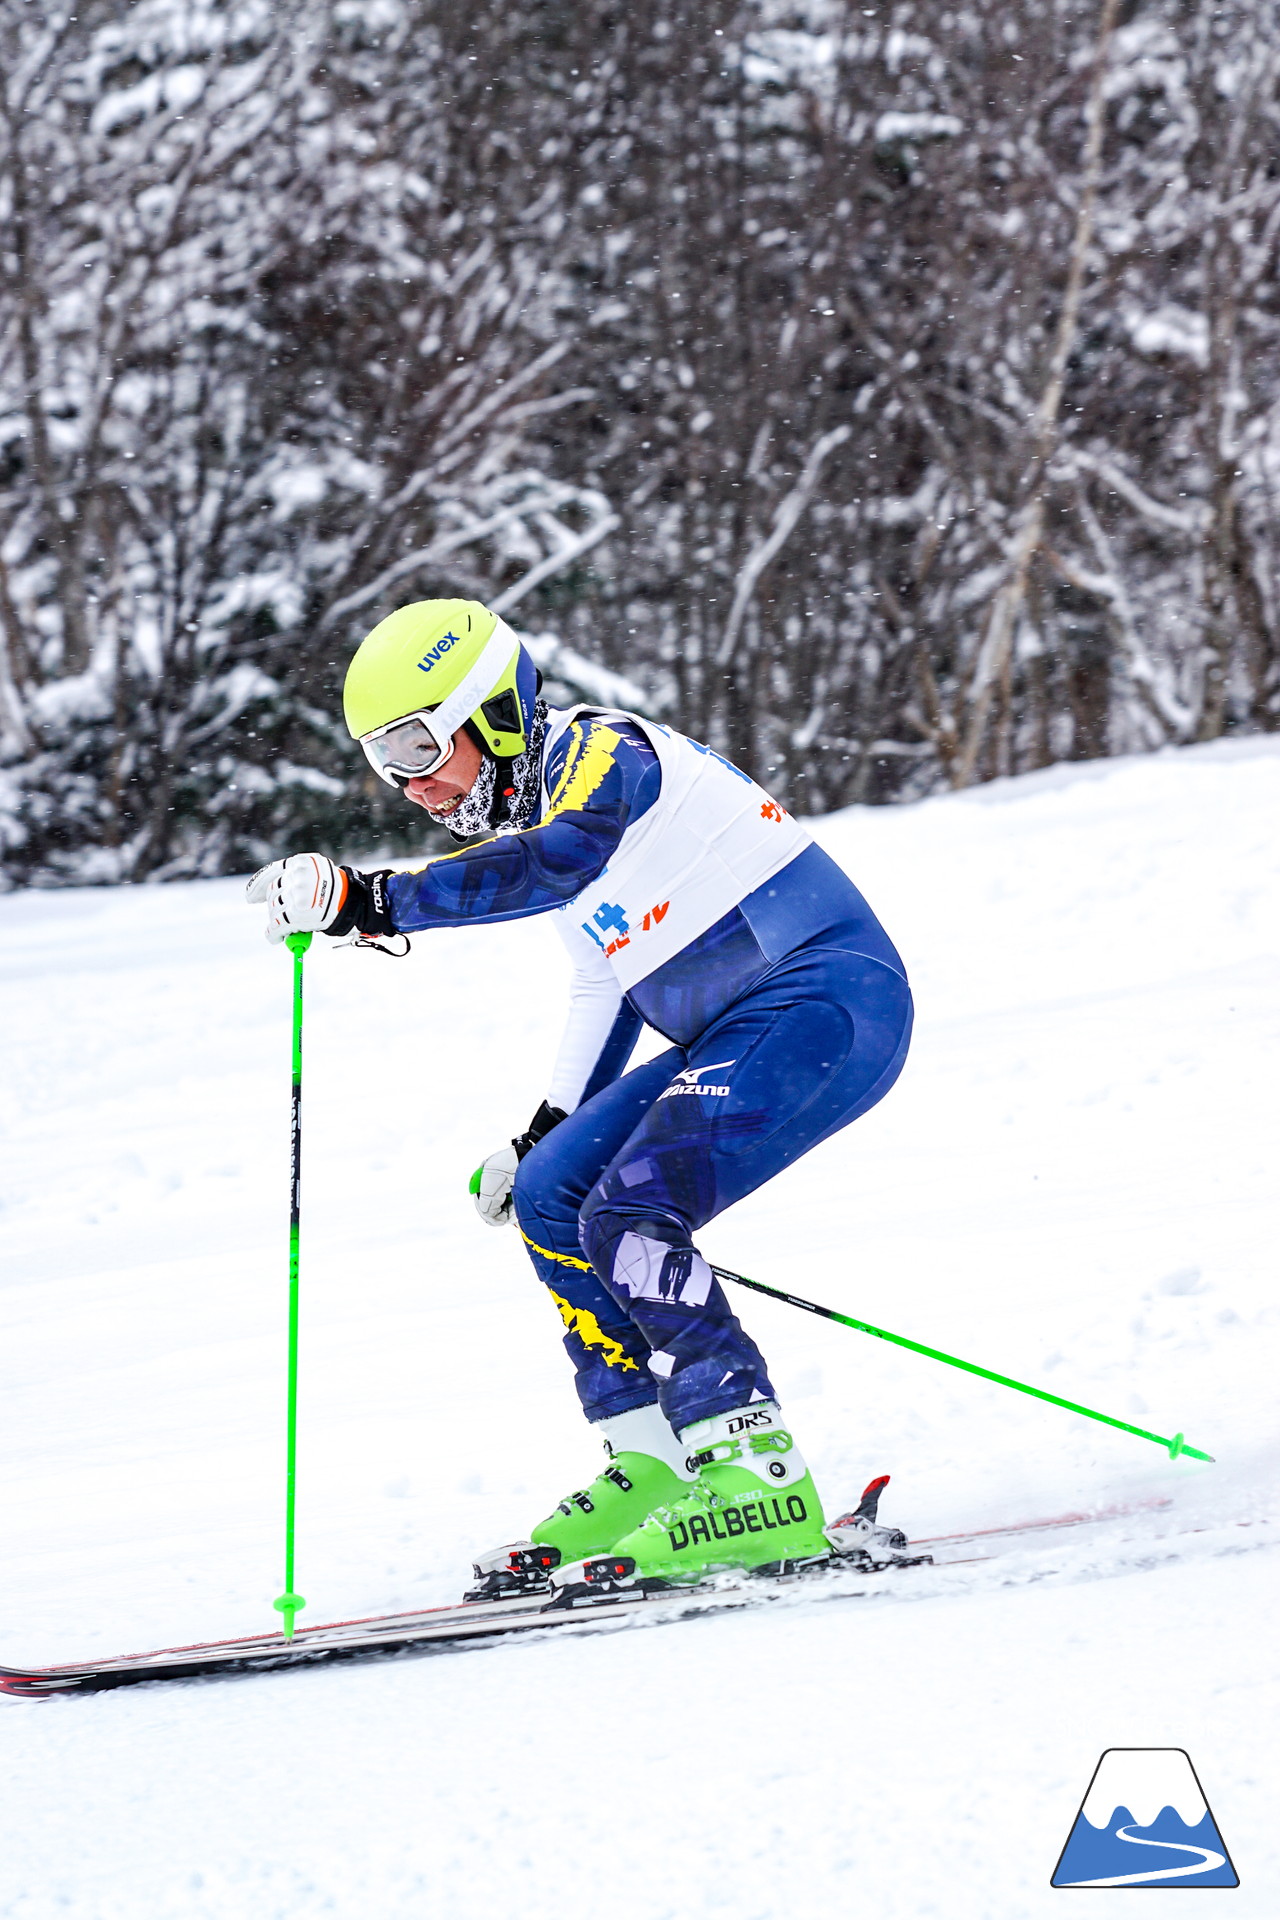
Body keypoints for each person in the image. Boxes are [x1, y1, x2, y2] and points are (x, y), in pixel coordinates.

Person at [247, 598, 913, 1596]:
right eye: (387, 764)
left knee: (634, 1210)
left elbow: (554, 863)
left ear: (497, 714)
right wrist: (540, 1133)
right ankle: (652, 1466)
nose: (416, 784)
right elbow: (604, 981)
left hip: (828, 998)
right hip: (746, 1023)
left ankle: (755, 1478)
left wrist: (366, 900)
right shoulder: (539, 814)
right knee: (557, 1192)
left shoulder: (603, 755)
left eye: (422, 746)